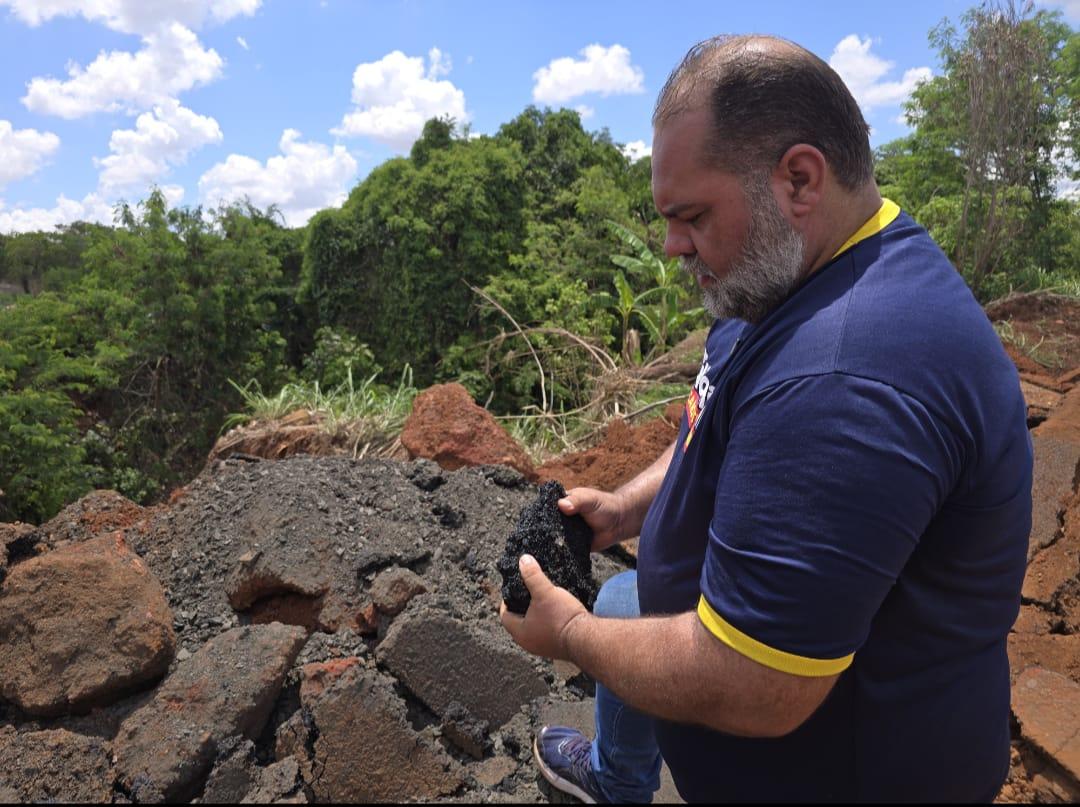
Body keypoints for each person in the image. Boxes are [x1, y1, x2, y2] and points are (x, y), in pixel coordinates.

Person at [500, 34, 1032, 804]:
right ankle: (617, 780)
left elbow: (755, 683)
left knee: (605, 615)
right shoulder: (781, 274)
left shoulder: (844, 376)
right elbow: (707, 420)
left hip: (850, 769)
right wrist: (624, 508)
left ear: (800, 179)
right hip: (763, 697)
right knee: (628, 595)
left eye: (691, 215)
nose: (672, 246)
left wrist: (572, 636)